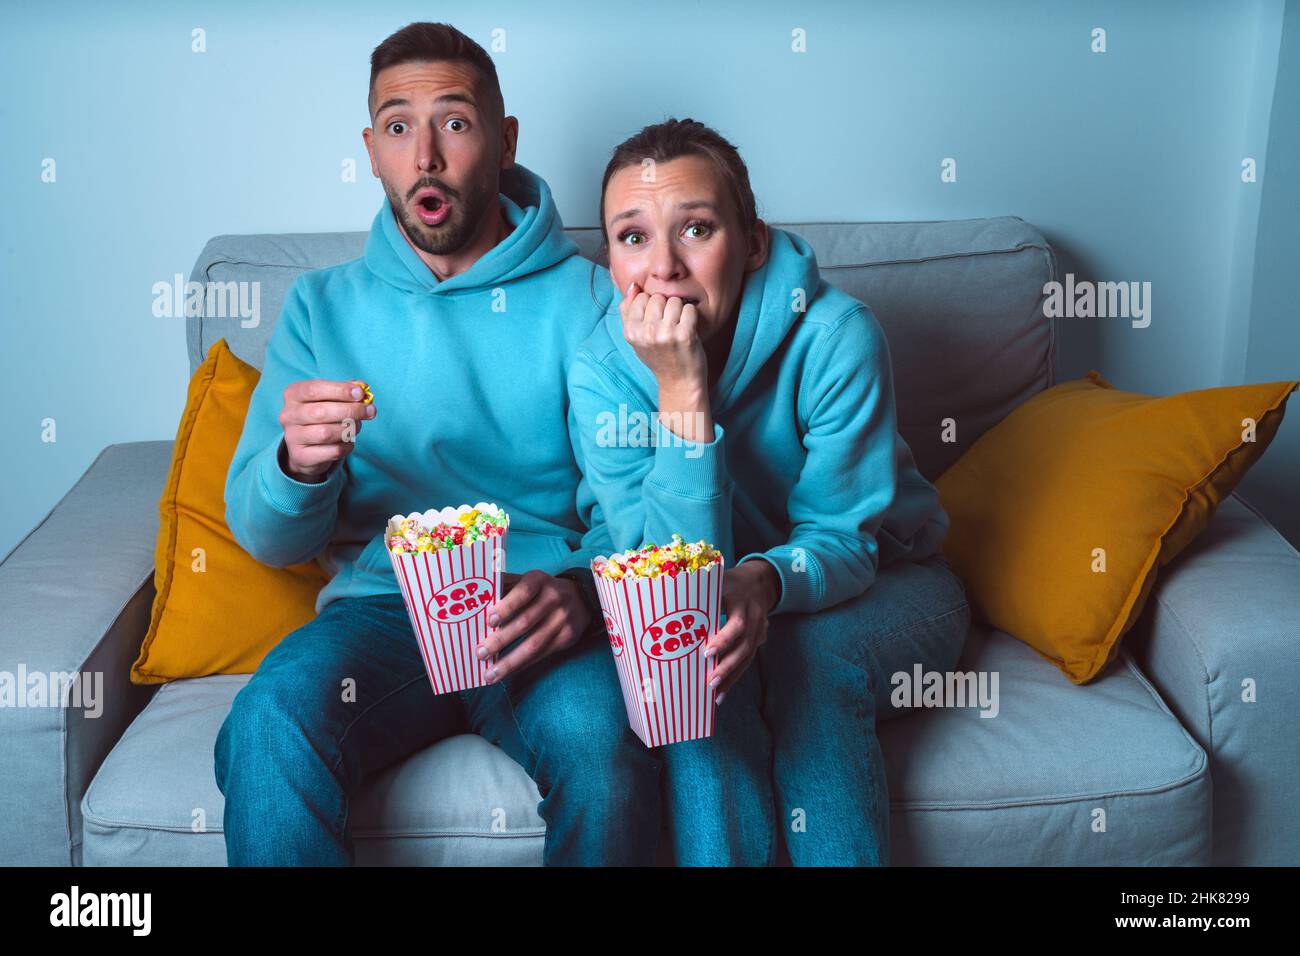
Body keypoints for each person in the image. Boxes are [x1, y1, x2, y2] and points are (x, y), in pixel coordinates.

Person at [215, 22, 661, 866]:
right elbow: (268, 539)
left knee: (605, 747)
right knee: (267, 722)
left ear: (504, 141)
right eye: (398, 127)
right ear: (370, 151)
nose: (425, 156)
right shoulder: (320, 307)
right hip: (382, 616)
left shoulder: (593, 299)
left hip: (533, 610)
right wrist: (296, 468)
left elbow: (635, 505)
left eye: (454, 123)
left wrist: (580, 593)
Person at [568, 118, 973, 865]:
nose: (664, 267)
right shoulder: (600, 372)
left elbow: (845, 540)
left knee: (808, 663)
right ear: (611, 260)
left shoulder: (837, 335)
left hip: (886, 579)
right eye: (633, 237)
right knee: (691, 680)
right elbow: (666, 584)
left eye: (696, 229)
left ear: (753, 243)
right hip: (716, 603)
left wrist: (761, 581)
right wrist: (682, 394)